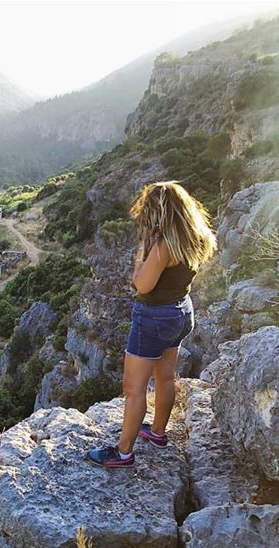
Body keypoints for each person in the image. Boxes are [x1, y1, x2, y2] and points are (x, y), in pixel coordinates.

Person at [87, 181, 217, 468]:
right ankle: (158, 433)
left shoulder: (162, 246)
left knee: (134, 389)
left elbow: (142, 285)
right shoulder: (196, 236)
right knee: (166, 377)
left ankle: (122, 454)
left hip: (154, 317)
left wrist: (142, 252)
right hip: (182, 311)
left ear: (157, 212)